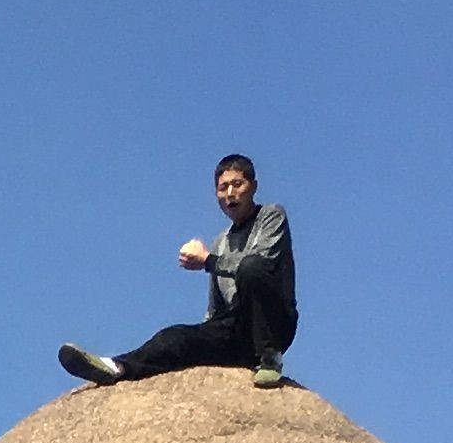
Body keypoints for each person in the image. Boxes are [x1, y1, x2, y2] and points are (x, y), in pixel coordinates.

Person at [59, 156, 296, 391]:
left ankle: (269, 358)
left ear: (253, 187)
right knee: (174, 337)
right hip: (236, 331)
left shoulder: (271, 216)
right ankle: (116, 367)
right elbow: (217, 309)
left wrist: (207, 261)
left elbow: (263, 265)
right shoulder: (220, 242)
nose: (230, 193)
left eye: (237, 184)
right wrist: (201, 337)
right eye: (223, 187)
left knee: (251, 267)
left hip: (273, 322)